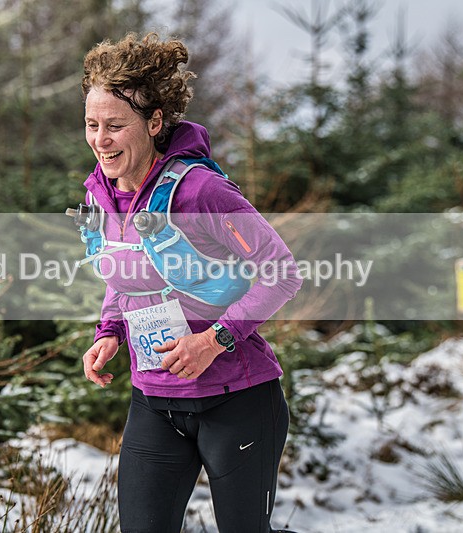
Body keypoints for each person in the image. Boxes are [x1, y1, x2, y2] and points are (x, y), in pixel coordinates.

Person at [77, 32, 302, 533]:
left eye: (115, 125)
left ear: (154, 122)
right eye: (92, 125)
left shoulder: (201, 191)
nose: (100, 139)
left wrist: (213, 341)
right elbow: (128, 273)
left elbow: (282, 273)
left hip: (236, 400)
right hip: (153, 402)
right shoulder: (103, 195)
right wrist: (109, 331)